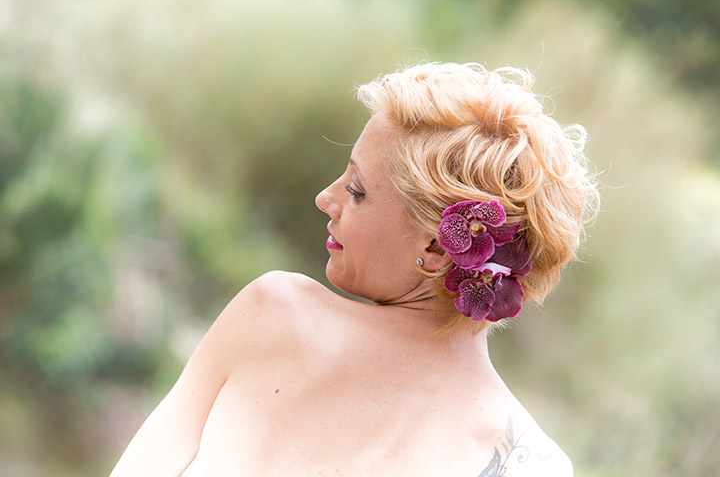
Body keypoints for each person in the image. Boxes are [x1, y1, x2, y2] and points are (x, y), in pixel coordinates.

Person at [110, 62, 598, 476]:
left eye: (356, 190)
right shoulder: (533, 464)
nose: (326, 198)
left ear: (436, 245)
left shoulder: (275, 314)